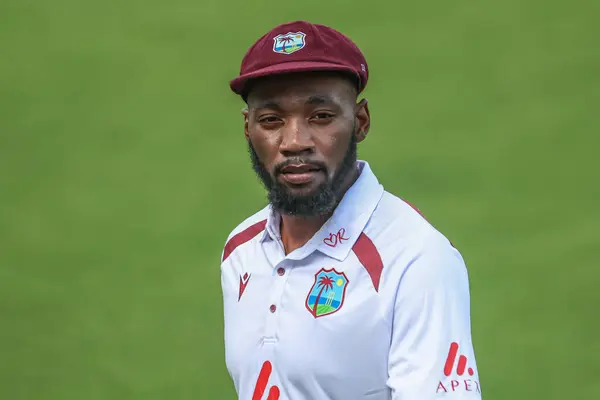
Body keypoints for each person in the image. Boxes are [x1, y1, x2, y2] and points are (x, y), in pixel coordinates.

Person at [220, 20, 482, 400]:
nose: (294, 142)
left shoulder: (415, 259)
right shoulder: (240, 251)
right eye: (272, 121)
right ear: (248, 128)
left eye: (321, 117)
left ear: (360, 122)